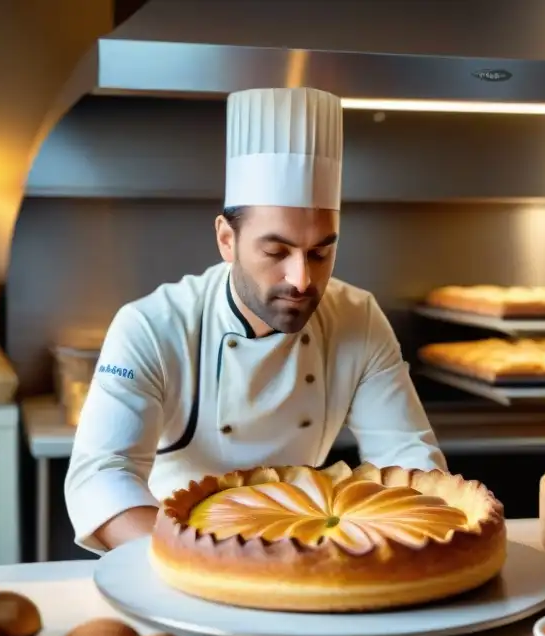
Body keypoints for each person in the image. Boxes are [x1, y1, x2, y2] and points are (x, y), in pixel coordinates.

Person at [65, 86, 446, 553]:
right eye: (276, 251)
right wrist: (199, 559)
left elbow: (408, 459)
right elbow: (102, 475)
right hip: (170, 559)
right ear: (227, 240)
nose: (302, 280)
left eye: (321, 253)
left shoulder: (358, 319)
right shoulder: (152, 327)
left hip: (306, 554)